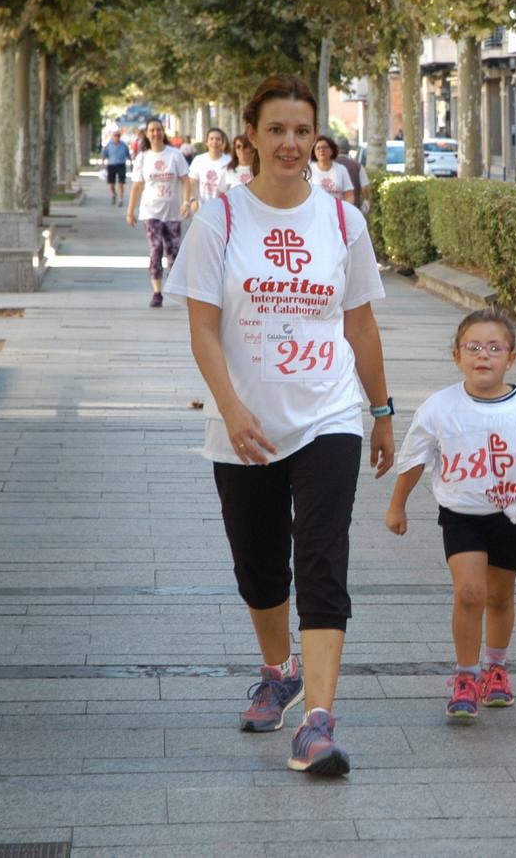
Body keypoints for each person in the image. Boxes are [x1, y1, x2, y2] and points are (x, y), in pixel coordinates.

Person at [162, 73, 395, 777]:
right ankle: (278, 668)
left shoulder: (342, 221)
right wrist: (231, 410)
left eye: (302, 131)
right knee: (259, 565)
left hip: (328, 412)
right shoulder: (220, 221)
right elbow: (203, 330)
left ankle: (318, 721)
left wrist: (381, 412)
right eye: (277, 131)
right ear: (251, 139)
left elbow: (359, 322)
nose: (291, 144)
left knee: (322, 557)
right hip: (245, 425)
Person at [385, 308, 516, 720]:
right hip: (461, 514)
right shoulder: (441, 406)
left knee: (499, 597)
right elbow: (415, 455)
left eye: (495, 348)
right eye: (474, 347)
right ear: (457, 355)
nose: (484, 356)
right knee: (469, 594)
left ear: (511, 358)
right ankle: (466, 675)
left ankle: (496, 669)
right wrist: (397, 504)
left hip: (509, 513)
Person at [126, 117, 193, 308]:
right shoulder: (143, 158)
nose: (156, 133)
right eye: (152, 130)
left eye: (158, 129)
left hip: (172, 212)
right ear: (147, 134)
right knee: (156, 249)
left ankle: (176, 287)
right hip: (150, 211)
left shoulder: (175, 155)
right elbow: (137, 186)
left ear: (163, 132)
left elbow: (185, 180)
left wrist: (186, 202)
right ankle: (157, 292)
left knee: (173, 252)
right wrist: (130, 211)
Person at [186, 128, 232, 209]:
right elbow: (191, 182)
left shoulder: (229, 162)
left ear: (222, 142)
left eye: (218, 139)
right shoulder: (199, 160)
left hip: (223, 209)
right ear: (206, 142)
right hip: (202, 209)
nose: (214, 141)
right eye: (211, 139)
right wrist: (192, 199)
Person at [309, 135, 354, 203]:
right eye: (318, 148)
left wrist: (345, 210)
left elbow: (349, 195)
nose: (321, 150)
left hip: (337, 211)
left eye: (325, 147)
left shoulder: (341, 169)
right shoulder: (309, 170)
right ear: (314, 152)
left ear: (332, 150)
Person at [334, 137, 366, 211]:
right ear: (349, 150)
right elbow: (365, 187)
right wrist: (366, 200)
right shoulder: (357, 165)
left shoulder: (329, 165)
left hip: (333, 209)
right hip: (354, 208)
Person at [101, 129, 130, 207]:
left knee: (121, 183)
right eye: (115, 135)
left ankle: (121, 199)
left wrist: (132, 163)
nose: (117, 137)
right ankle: (113, 194)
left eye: (118, 135)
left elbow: (128, 155)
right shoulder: (109, 145)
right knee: (111, 184)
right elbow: (104, 155)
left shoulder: (124, 145)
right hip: (111, 165)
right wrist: (103, 165)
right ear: (112, 136)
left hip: (121, 165)